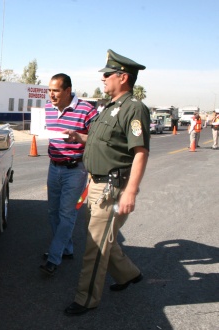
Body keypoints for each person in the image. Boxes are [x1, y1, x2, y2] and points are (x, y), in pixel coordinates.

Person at [61, 49, 151, 315]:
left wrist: (130, 192)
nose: (103, 78)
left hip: (113, 188)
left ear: (123, 77)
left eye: (108, 74)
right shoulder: (109, 108)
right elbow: (102, 142)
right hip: (97, 185)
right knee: (104, 238)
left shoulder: (134, 109)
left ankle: (86, 298)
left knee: (96, 245)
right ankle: (128, 274)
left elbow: (140, 152)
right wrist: (78, 137)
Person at [39, 73, 97, 276]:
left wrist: (79, 137)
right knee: (53, 212)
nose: (51, 95)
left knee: (67, 213)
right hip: (54, 166)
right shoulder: (46, 109)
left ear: (67, 90)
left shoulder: (87, 110)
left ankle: (54, 257)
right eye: (49, 90)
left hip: (76, 169)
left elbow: (98, 140)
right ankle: (67, 248)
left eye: (55, 91)